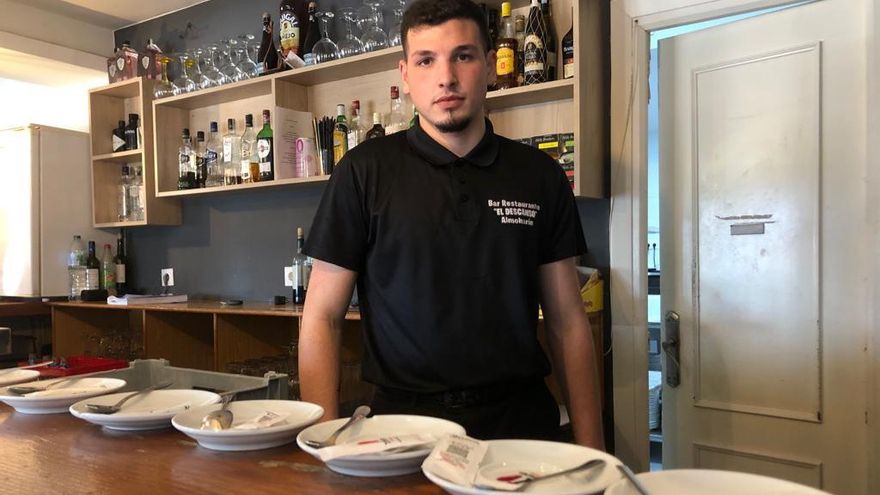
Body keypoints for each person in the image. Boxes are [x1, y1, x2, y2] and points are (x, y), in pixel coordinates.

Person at [300, 0, 603, 449]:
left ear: (488, 64)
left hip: (519, 425)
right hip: (400, 430)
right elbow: (321, 317)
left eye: (463, 55)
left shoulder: (540, 175)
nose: (446, 77)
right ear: (405, 74)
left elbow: (566, 322)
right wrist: (321, 445)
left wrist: (592, 447)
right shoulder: (363, 172)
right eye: (427, 60)